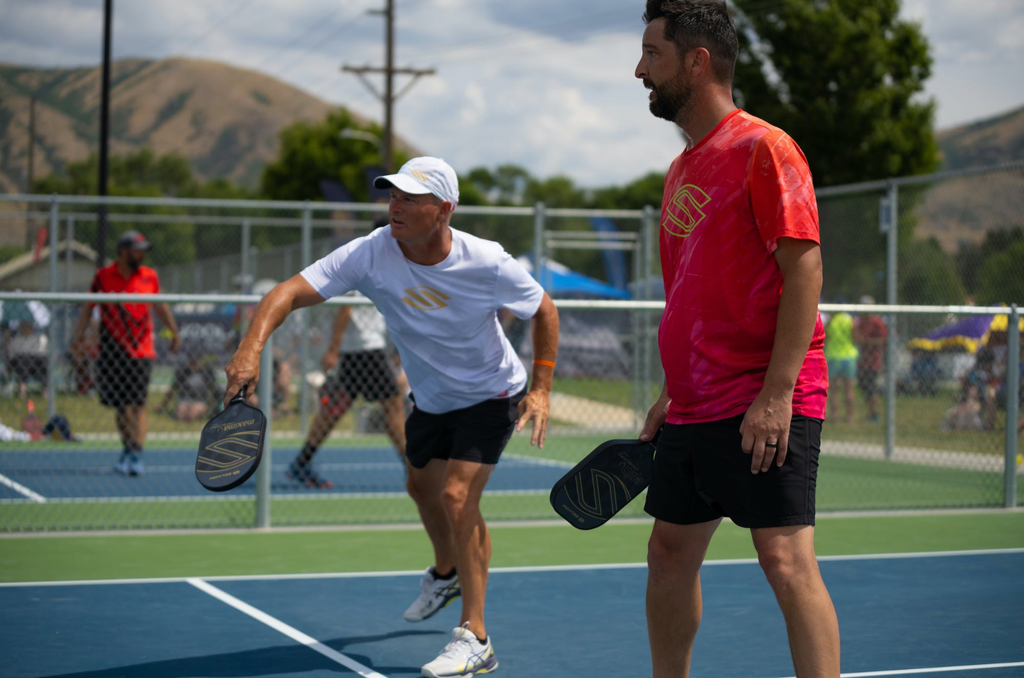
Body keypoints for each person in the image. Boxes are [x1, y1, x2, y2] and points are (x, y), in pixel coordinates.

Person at [223, 156, 559, 678]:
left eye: (409, 198)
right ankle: (446, 573)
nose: (394, 205)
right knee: (422, 489)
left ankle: (476, 638)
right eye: (392, 195)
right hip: (430, 398)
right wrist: (250, 348)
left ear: (444, 209)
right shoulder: (371, 252)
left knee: (456, 496)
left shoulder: (487, 260)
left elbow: (544, 309)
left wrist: (540, 388)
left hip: (491, 393)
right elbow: (286, 293)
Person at [634, 2, 839, 676]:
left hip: (762, 398)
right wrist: (671, 390)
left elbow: (803, 266)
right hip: (695, 405)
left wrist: (777, 395)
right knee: (668, 553)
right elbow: (691, 292)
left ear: (697, 61)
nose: (640, 70)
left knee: (783, 558)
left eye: (653, 54)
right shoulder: (682, 168)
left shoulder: (765, 148)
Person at [71, 230, 180, 476]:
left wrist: (174, 332)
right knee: (121, 407)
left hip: (141, 350)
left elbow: (160, 306)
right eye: (136, 250)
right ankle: (127, 448)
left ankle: (137, 452)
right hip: (112, 349)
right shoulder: (103, 277)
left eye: (143, 250)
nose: (141, 255)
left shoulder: (149, 276)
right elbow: (88, 309)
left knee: (138, 405)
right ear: (123, 252)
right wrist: (77, 338)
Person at [286, 297, 408, 489]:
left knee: (334, 412)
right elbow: (345, 309)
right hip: (365, 349)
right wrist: (333, 349)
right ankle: (412, 467)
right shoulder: (360, 268)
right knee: (393, 406)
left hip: (361, 349)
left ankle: (302, 462)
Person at [156, 350, 220, 423]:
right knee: (181, 414)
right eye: (192, 363)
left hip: (199, 400)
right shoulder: (183, 372)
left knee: (192, 413)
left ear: (200, 362)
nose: (194, 365)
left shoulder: (206, 372)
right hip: (184, 399)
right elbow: (172, 390)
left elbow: (214, 389)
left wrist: (215, 406)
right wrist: (162, 405)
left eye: (196, 363)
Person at [853, 296, 887, 423]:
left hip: (873, 361)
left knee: (872, 388)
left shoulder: (876, 322)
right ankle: (870, 412)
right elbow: (856, 337)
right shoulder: (860, 322)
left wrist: (868, 342)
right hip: (863, 360)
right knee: (864, 387)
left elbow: (884, 340)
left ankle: (874, 413)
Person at [824, 307, 857, 425]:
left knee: (833, 390)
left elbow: (825, 337)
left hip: (833, 356)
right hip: (848, 356)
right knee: (849, 389)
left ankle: (834, 417)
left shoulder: (831, 320)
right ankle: (849, 417)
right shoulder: (849, 319)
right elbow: (854, 337)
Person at [6, 321, 48, 400]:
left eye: (28, 325)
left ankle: (46, 391)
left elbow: (44, 353)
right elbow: (11, 356)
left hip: (37, 364)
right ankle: (22, 390)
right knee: (23, 360)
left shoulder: (40, 339)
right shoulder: (16, 339)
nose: (26, 327)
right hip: (21, 364)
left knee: (44, 362)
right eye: (24, 325)